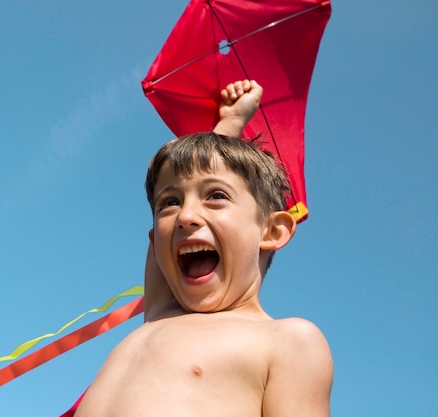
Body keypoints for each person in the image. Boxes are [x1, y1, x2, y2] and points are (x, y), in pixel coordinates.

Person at [63, 80, 333, 417]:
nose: (185, 216)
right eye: (170, 203)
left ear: (272, 230)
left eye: (216, 196)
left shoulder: (287, 340)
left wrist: (228, 129)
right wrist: (230, 121)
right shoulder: (161, 312)